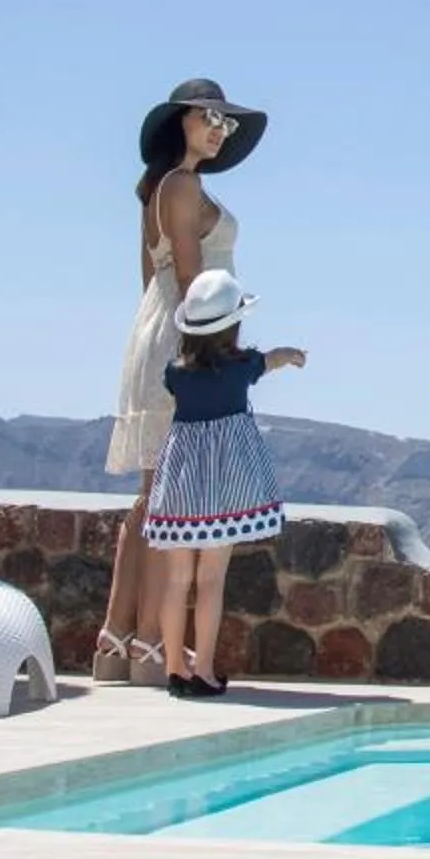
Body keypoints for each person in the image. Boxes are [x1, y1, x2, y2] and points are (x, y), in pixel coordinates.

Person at [94, 78, 267, 686]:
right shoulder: (185, 185)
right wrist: (219, 351)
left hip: (159, 331)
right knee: (161, 500)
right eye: (209, 117)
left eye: (227, 123)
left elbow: (150, 278)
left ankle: (122, 638)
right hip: (188, 336)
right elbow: (193, 283)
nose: (220, 129)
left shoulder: (157, 190)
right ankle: (146, 646)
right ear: (181, 122)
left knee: (151, 497)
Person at [146, 268, 302, 697]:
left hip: (181, 485)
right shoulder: (241, 368)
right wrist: (289, 354)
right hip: (225, 489)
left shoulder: (176, 374)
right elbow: (266, 362)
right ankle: (205, 670)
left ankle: (175, 668)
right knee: (211, 579)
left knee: (178, 580)